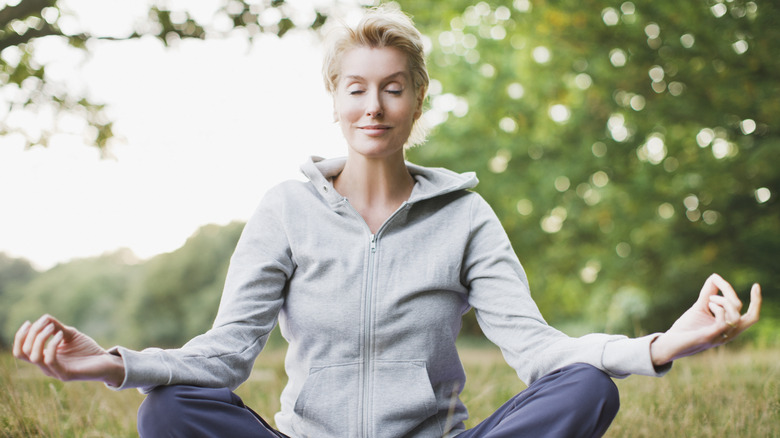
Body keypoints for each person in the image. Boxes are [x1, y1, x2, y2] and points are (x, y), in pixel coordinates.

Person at [13, 6, 761, 438]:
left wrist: (663, 343)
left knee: (587, 390)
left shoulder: (467, 216)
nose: (374, 107)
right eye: (357, 89)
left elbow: (539, 351)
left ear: (418, 102)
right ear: (334, 100)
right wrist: (113, 363)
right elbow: (224, 357)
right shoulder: (284, 210)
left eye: (394, 90)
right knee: (169, 410)